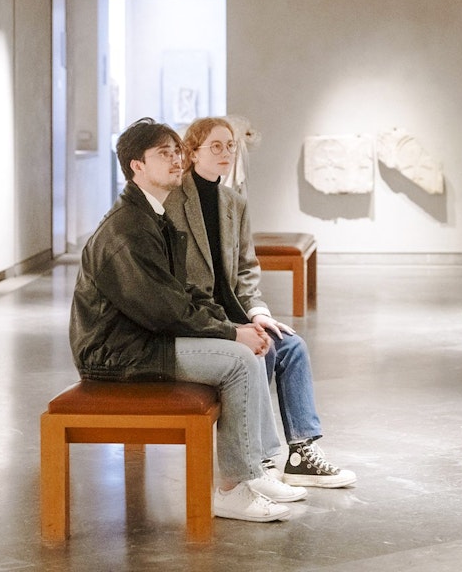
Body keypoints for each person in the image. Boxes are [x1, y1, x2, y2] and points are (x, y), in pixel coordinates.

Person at [69, 118, 305, 523]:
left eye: (177, 151)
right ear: (135, 166)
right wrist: (232, 332)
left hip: (141, 340)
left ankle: (254, 470)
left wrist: (239, 327)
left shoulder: (151, 215)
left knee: (247, 350)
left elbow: (185, 292)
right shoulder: (127, 230)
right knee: (238, 360)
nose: (177, 159)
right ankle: (235, 487)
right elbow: (164, 311)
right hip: (115, 353)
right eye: (164, 153)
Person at [165, 116, 357, 488]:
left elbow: (247, 267)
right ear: (193, 152)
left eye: (230, 146)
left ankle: (300, 453)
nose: (225, 153)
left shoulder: (233, 202)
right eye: (216, 146)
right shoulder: (174, 200)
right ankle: (258, 459)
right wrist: (235, 328)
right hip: (202, 318)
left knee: (292, 346)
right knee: (261, 352)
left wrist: (258, 312)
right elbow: (176, 282)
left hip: (236, 312)